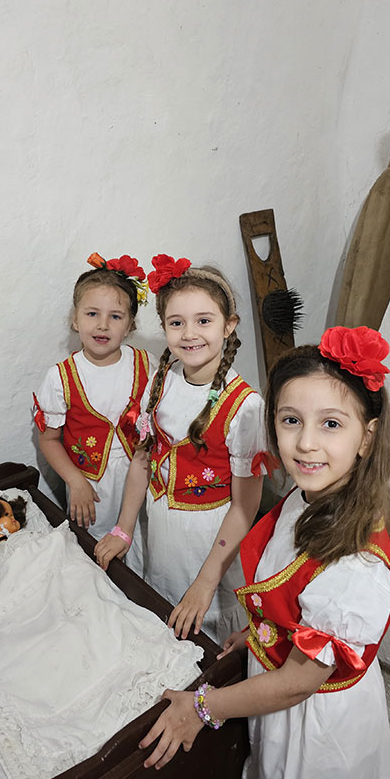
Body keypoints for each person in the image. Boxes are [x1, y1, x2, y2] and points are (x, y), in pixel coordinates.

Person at [137, 325, 390, 779]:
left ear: (367, 437)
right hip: (280, 693)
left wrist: (202, 707)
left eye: (331, 424)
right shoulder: (307, 496)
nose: (305, 443)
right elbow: (293, 602)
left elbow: (298, 683)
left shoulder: (356, 568)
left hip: (313, 722)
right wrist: (260, 633)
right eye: (290, 420)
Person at [95, 254, 270, 645]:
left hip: (207, 544)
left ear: (229, 325)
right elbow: (143, 459)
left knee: (199, 638)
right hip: (159, 530)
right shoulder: (162, 378)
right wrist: (124, 529)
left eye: (203, 321)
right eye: (177, 323)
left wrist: (205, 585)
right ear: (164, 327)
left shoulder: (246, 408)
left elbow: (245, 509)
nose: (190, 334)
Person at [33, 253, 155, 575]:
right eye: (92, 314)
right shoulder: (60, 378)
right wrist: (75, 482)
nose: (102, 325)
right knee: (96, 558)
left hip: (141, 476)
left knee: (142, 547)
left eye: (115, 316)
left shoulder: (146, 364)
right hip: (91, 487)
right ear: (75, 320)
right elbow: (48, 440)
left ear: (130, 325)